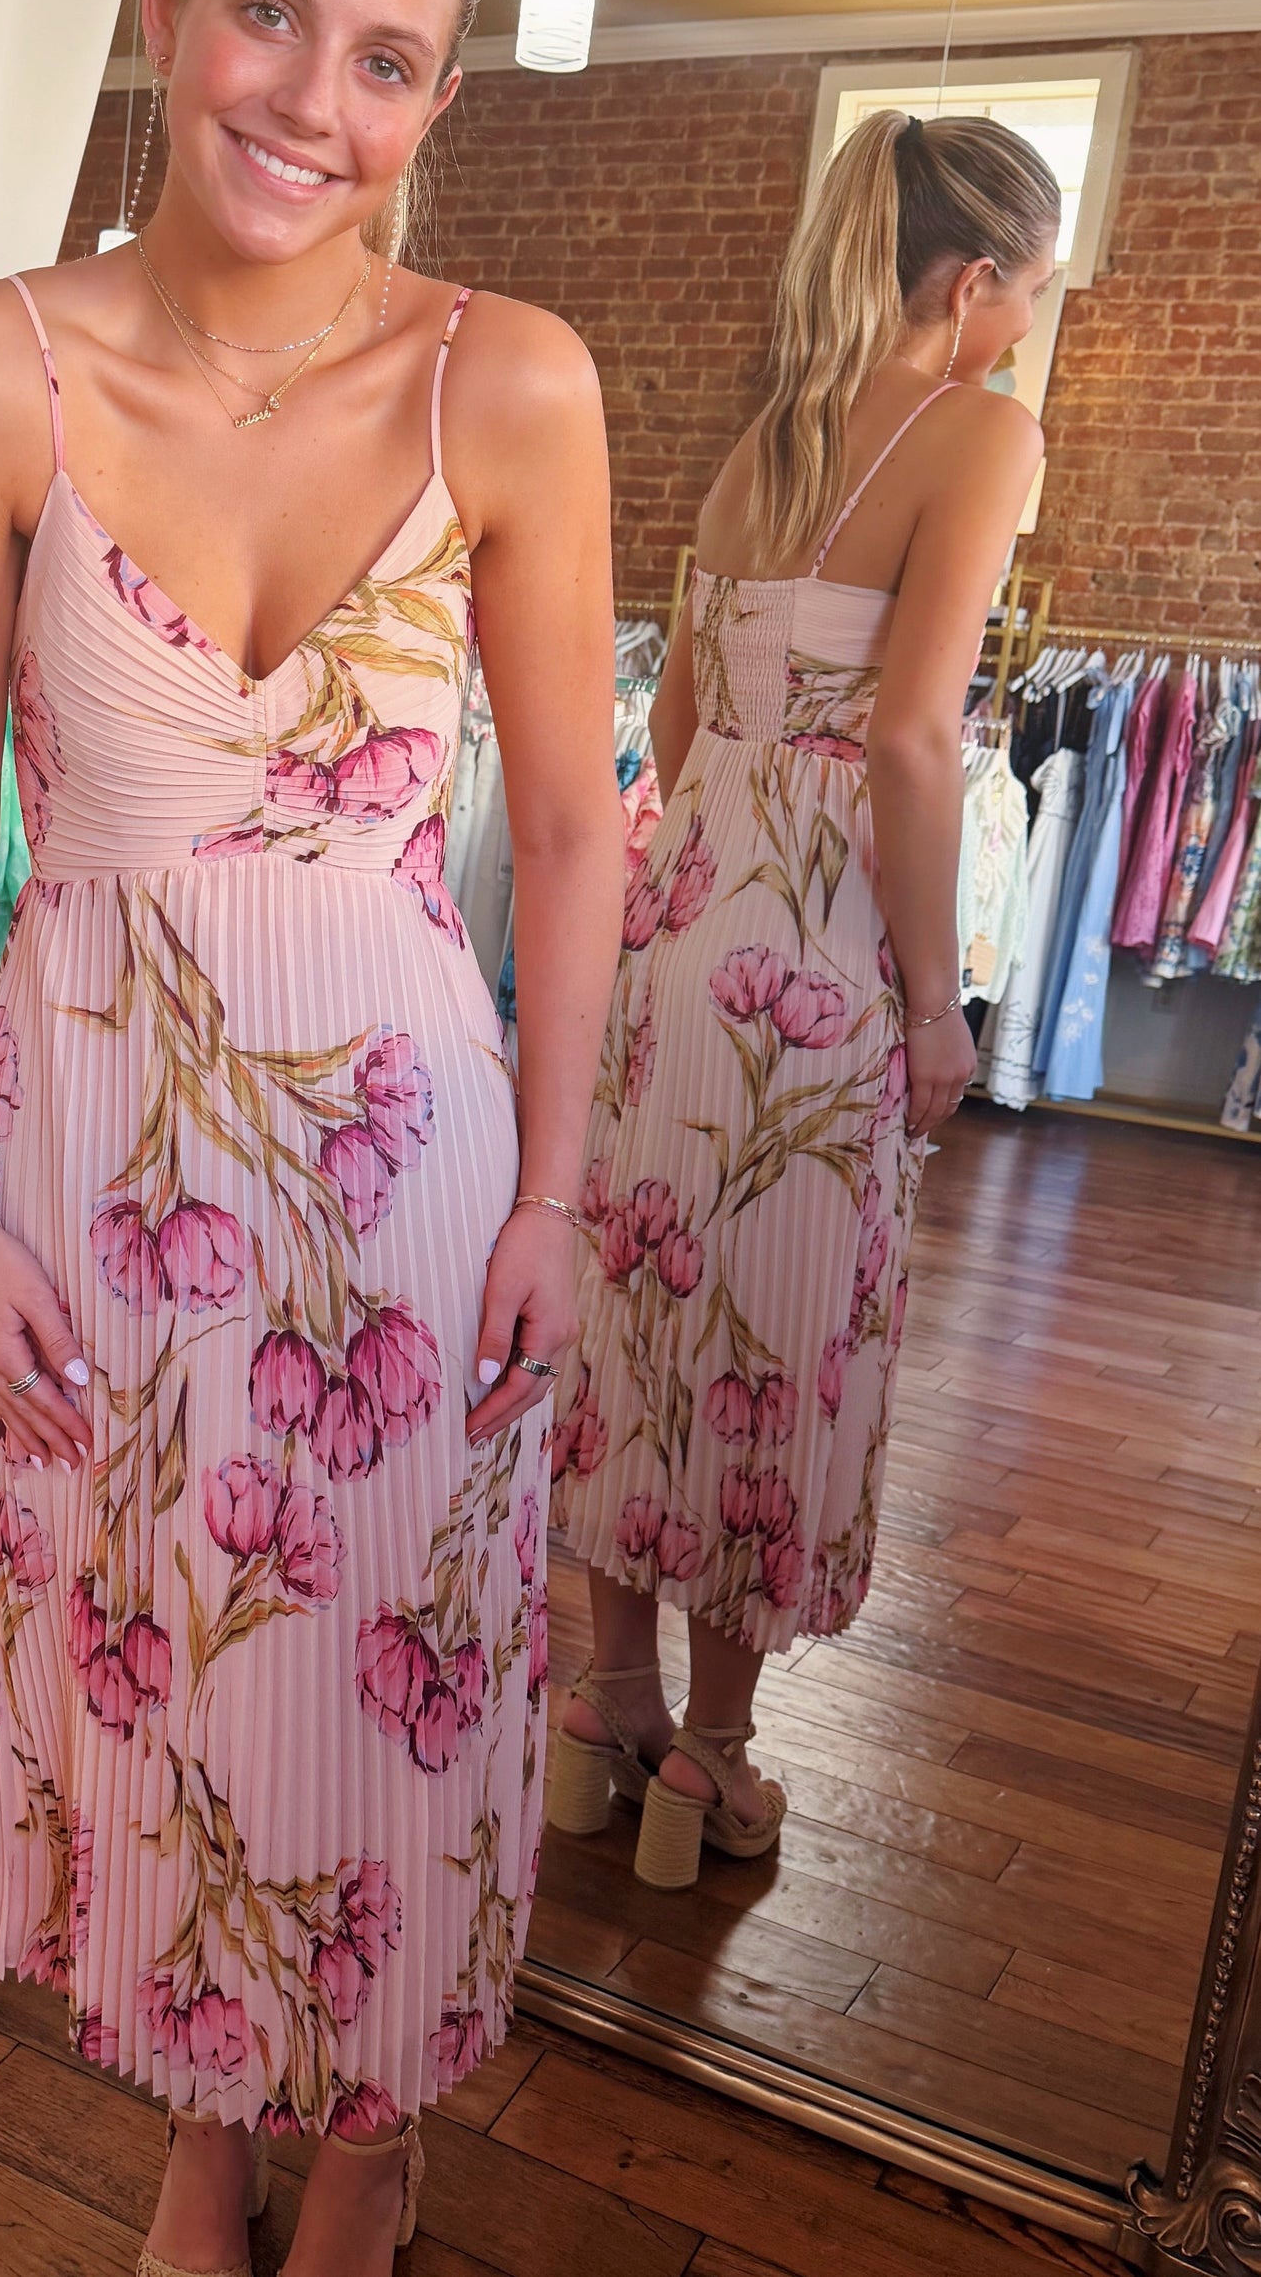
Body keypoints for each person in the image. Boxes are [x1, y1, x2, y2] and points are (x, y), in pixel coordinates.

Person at [0, 0, 621, 2277]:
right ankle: (208, 2114)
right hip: (94, 1173)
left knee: (402, 1668)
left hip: (414, 1175)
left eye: (384, 60)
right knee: (159, 1673)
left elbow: (577, 833)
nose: (312, 101)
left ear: (436, 97)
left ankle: (373, 2131)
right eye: (271, 16)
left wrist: (556, 1194)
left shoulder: (508, 383)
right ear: (167, 1)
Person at [547, 111, 1059, 1890]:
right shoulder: (983, 430)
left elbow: (681, 725)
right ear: (973, 280)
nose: (1025, 324)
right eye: (1032, 290)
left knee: (643, 1316)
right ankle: (712, 1759)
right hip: (814, 957)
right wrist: (933, 1005)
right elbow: (913, 737)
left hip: (676, 928)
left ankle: (600, 1713)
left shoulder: (762, 436)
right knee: (771, 1345)